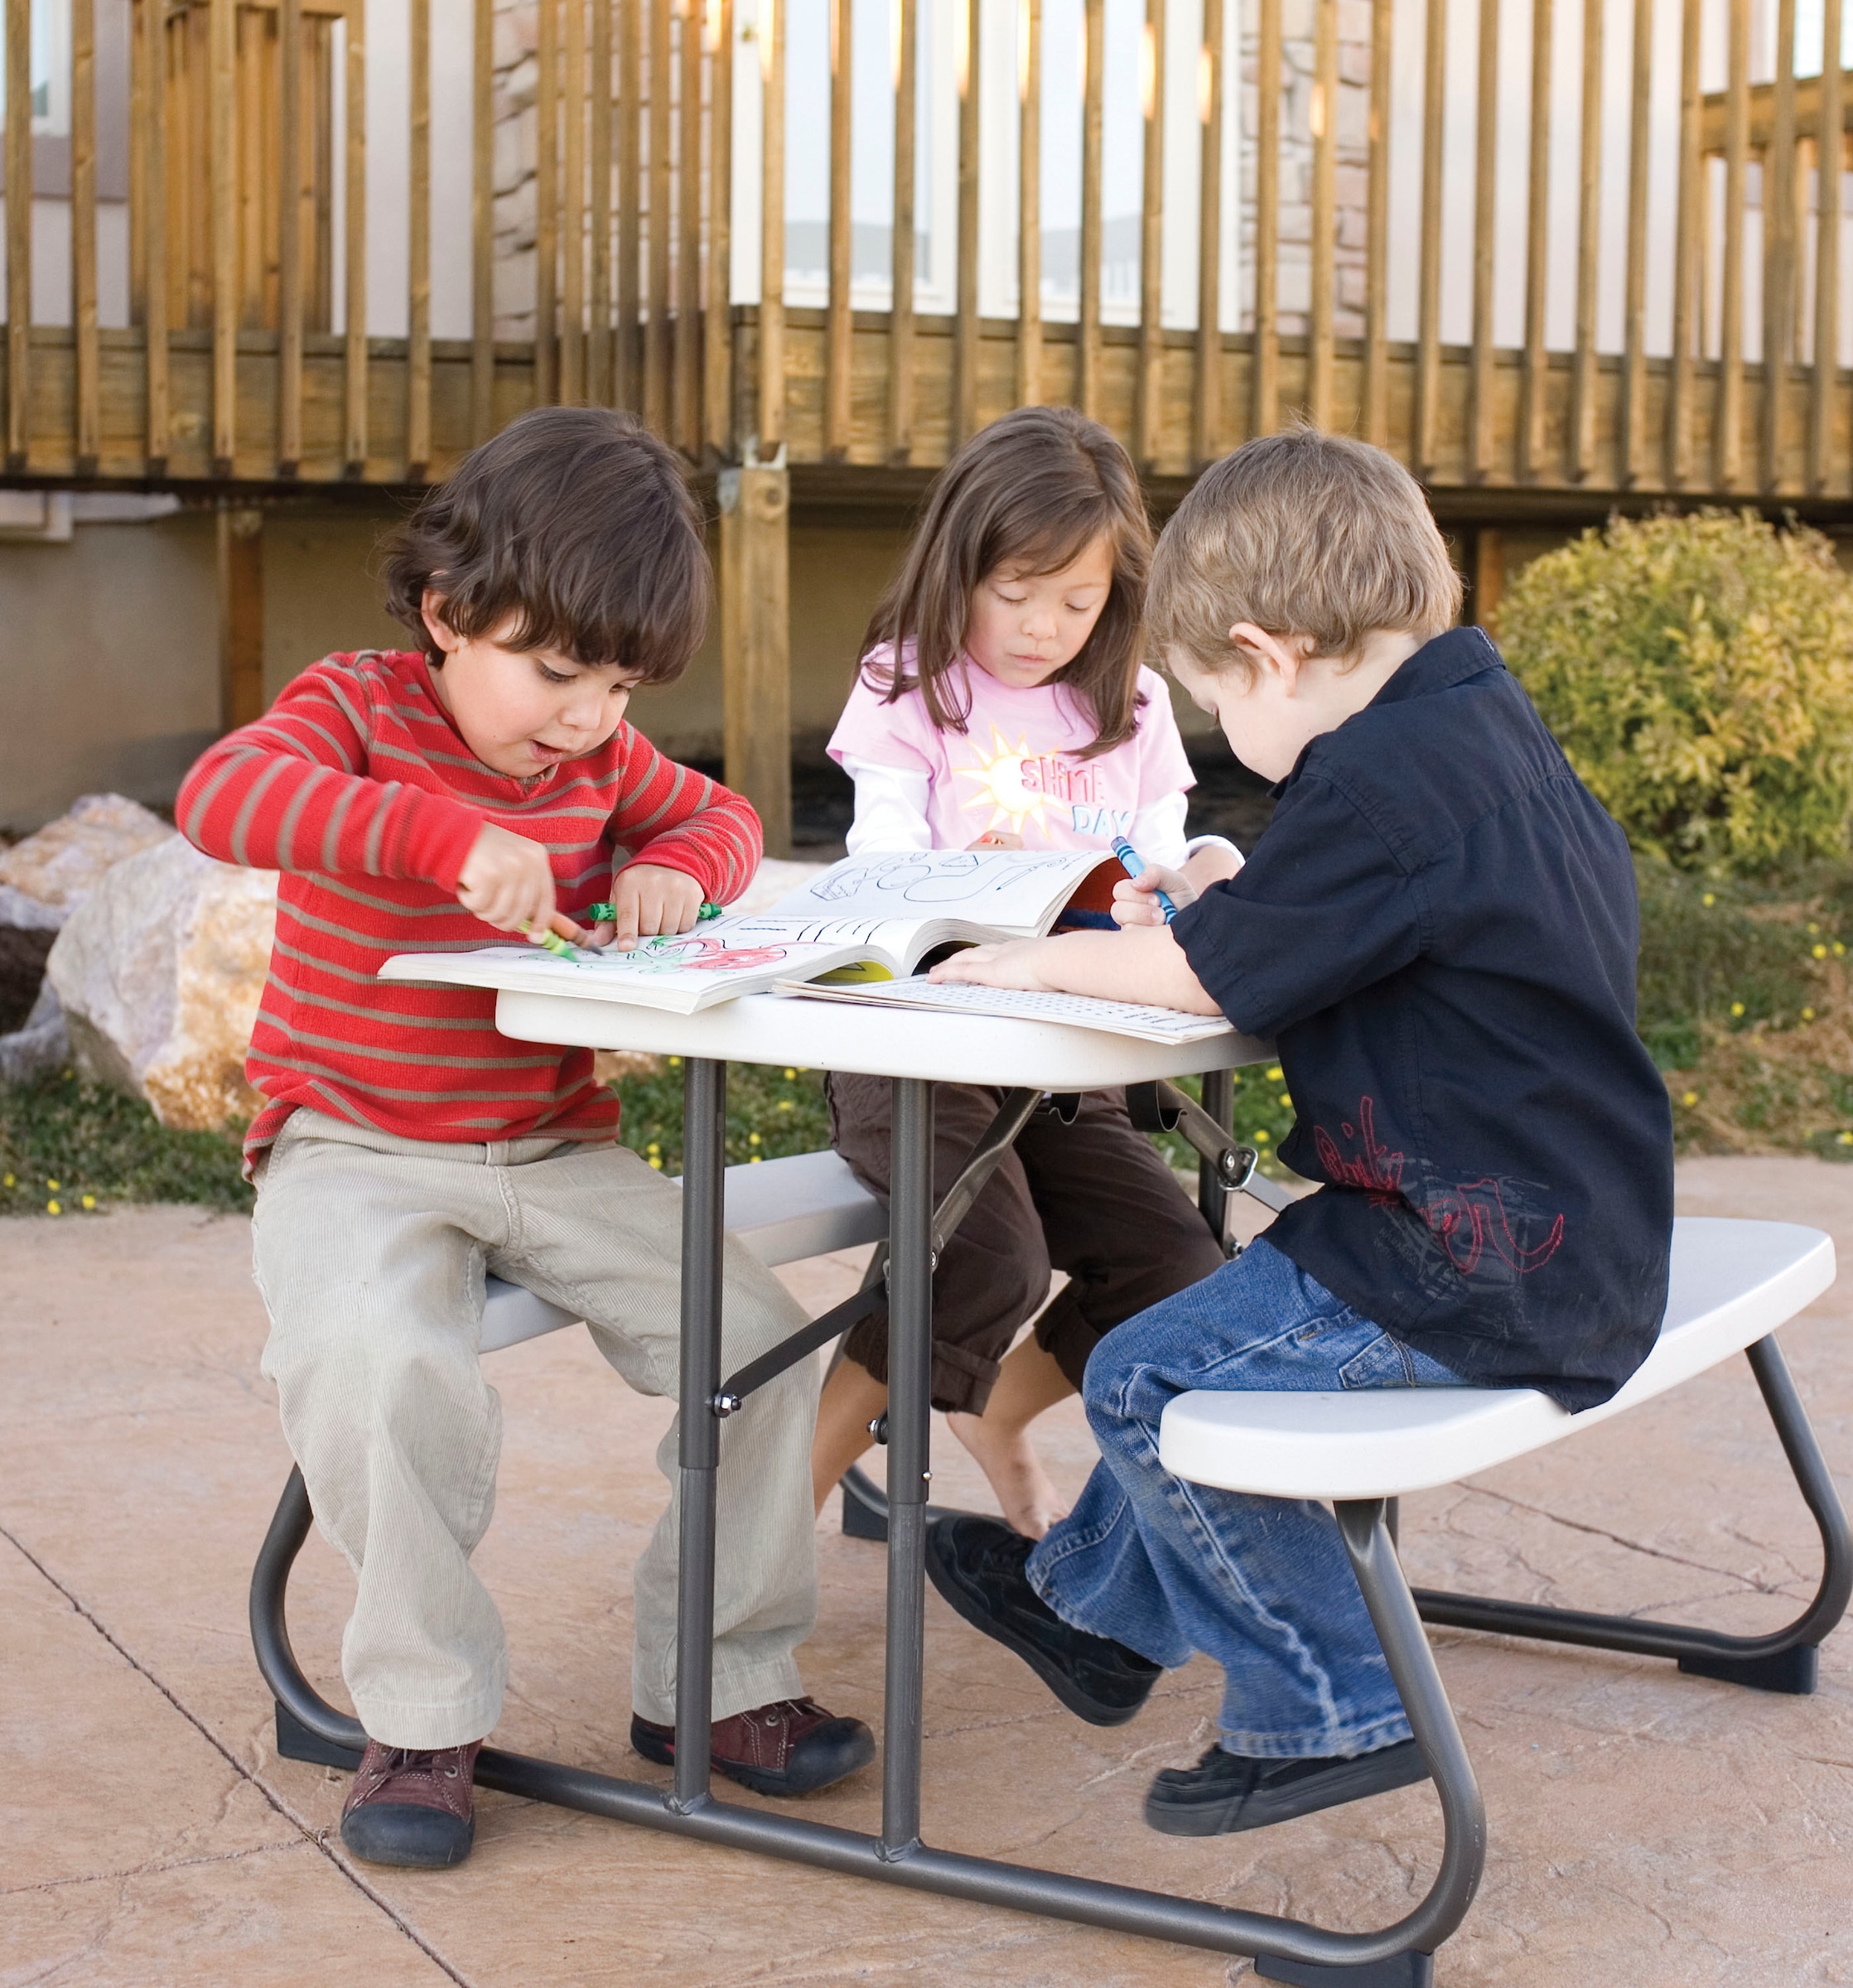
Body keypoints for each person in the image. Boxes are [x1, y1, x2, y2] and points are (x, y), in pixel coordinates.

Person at [919, 427, 1675, 1837]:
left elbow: (1213, 977)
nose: (1226, 740)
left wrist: (1031, 961)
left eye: (1212, 702)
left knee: (1150, 1375)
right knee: (1212, 1330)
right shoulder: (1470, 726)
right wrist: (1222, 907)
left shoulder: (1376, 786)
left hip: (1479, 1256)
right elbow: (1323, 923)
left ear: (1267, 655)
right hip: (1559, 1226)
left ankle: (1333, 1710)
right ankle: (1096, 1618)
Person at [177, 408, 872, 1872]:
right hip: (353, 1145)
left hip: (552, 1151)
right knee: (378, 1357)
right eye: (555, 672)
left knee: (763, 1347)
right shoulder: (357, 706)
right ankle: (423, 1720)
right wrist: (433, 835)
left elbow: (727, 818)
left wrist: (677, 868)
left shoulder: (603, 767)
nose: (583, 718)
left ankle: (716, 1682)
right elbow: (220, 796)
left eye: (615, 685)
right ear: (446, 611)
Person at [811, 406, 1242, 1539]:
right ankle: (768, 1518)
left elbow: (1157, 851)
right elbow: (881, 868)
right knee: (989, 1259)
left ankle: (996, 1414)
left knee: (1177, 1265)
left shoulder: (1131, 704)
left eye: (1078, 599)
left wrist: (1195, 873)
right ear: (960, 564)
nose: (1042, 626)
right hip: (922, 1050)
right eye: (1014, 591)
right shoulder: (911, 681)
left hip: (1066, 1064)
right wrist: (973, 881)